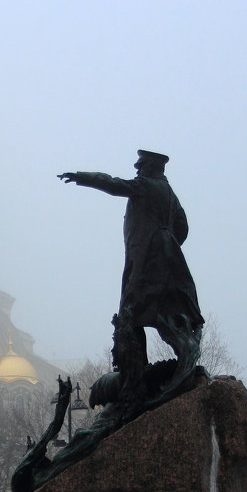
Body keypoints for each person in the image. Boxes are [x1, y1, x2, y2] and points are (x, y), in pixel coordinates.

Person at [59, 150, 203, 394]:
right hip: (169, 256)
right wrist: (167, 240)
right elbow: (183, 226)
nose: (138, 168)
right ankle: (159, 365)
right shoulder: (170, 194)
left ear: (151, 167)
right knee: (162, 308)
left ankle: (135, 376)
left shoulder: (146, 185)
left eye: (141, 165)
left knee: (130, 313)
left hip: (147, 258)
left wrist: (81, 177)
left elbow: (113, 184)